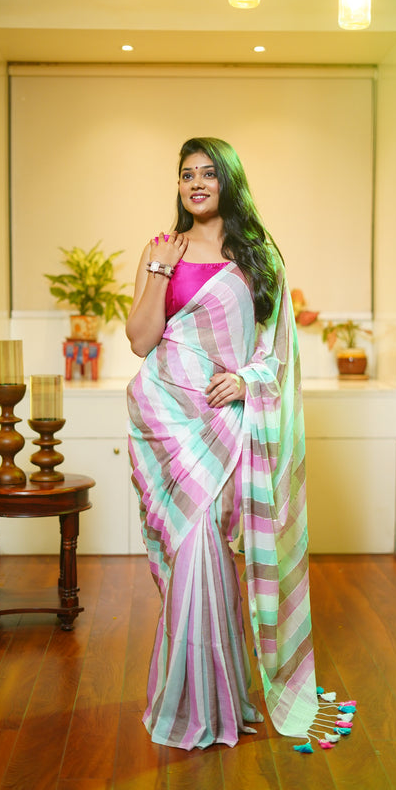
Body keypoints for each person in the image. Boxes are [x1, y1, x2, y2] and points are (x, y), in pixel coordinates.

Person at [126, 137, 319, 750]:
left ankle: (215, 697)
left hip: (225, 420)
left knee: (208, 544)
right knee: (192, 550)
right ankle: (193, 699)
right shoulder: (161, 249)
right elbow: (140, 340)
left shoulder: (258, 256)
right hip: (166, 420)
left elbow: (277, 352)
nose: (197, 183)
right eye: (187, 174)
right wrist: (160, 269)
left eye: (208, 173)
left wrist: (246, 380)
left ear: (228, 181)